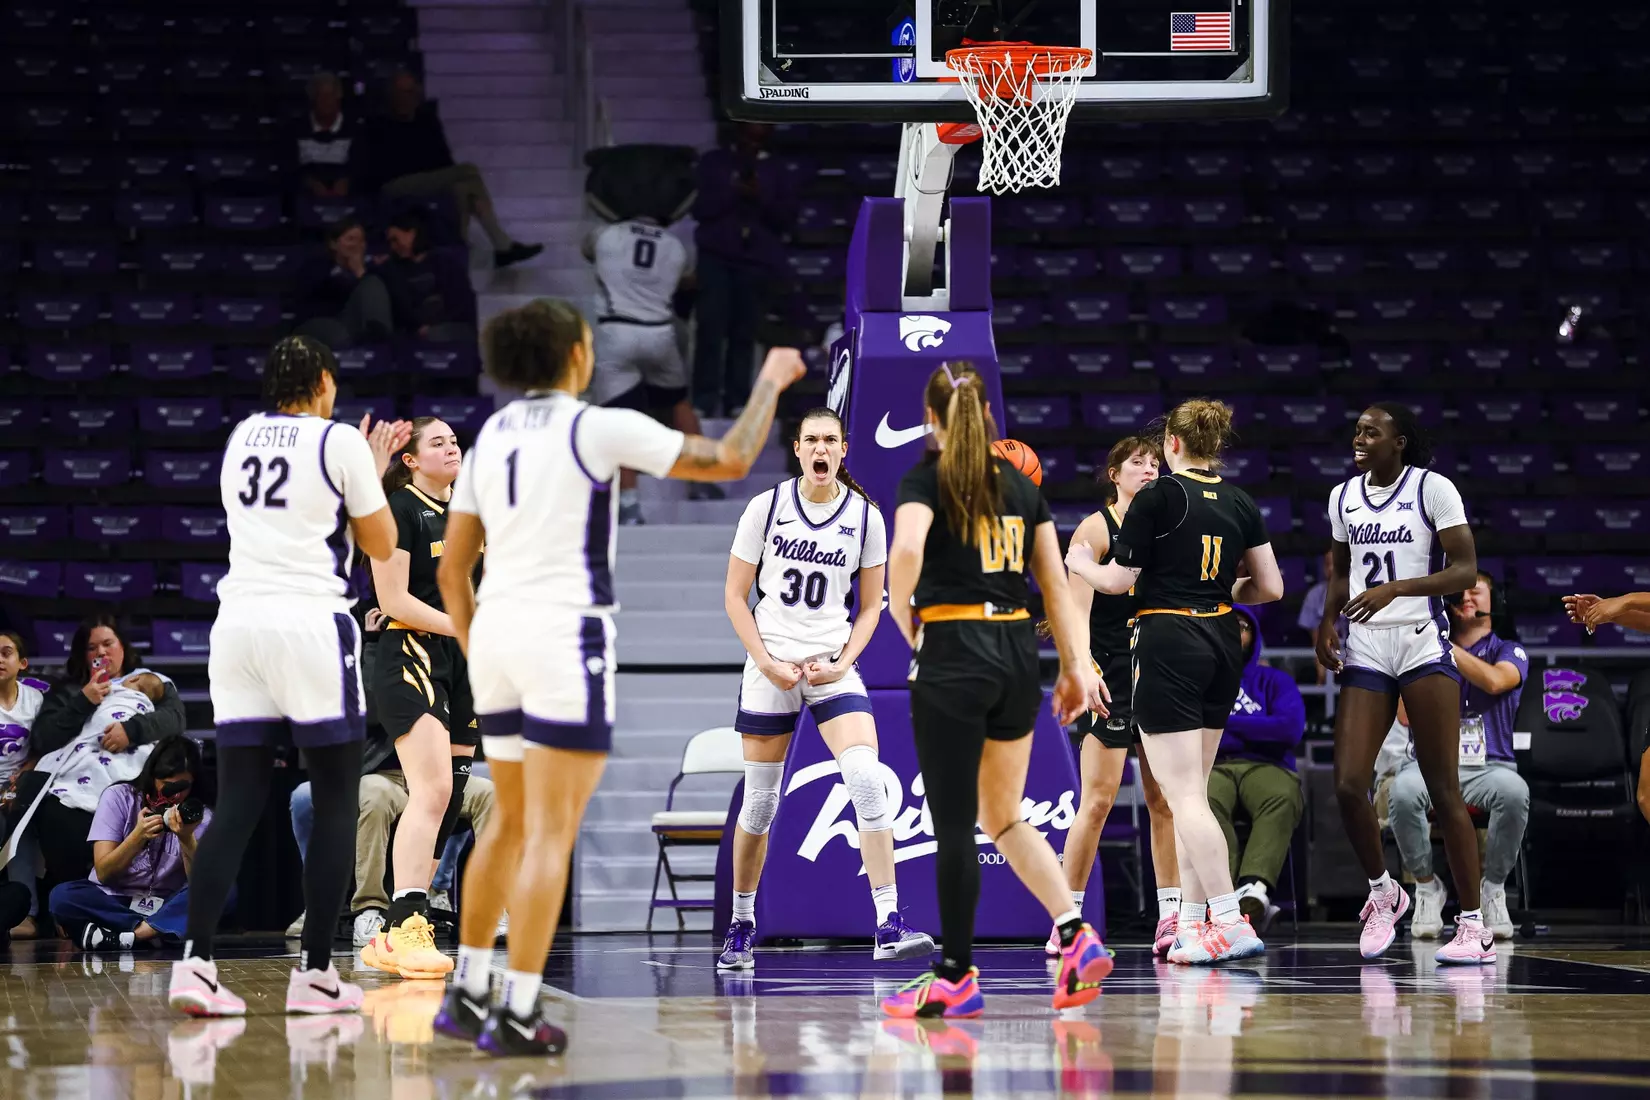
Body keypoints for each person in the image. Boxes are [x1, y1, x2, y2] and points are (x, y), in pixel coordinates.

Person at [431, 298, 804, 1055]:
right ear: (575, 355)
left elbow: (450, 568)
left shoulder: (492, 434)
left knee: (508, 821)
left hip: (498, 633)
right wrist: (770, 381)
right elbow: (729, 458)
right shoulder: (594, 425)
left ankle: (468, 991)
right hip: (564, 634)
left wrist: (475, 646)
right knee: (549, 832)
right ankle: (519, 1009)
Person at [168, 335, 411, 1017]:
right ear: (325, 383)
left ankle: (194, 966)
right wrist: (374, 467)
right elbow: (382, 543)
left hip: (238, 624)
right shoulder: (337, 443)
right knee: (336, 799)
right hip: (309, 623)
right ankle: (314, 977)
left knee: (240, 800)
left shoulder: (243, 436)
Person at [879, 360, 1108, 1020]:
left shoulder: (925, 478)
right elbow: (1057, 586)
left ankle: (954, 973)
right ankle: (1072, 930)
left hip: (954, 650)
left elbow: (904, 554)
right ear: (985, 418)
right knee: (1002, 816)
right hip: (1015, 656)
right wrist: (1073, 667)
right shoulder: (1019, 485)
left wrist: (909, 625)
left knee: (955, 826)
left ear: (930, 419)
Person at [1066, 398, 1283, 966]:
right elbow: (1271, 588)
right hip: (1219, 640)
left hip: (1168, 642)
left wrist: (1079, 562)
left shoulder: (1158, 497)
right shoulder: (1239, 499)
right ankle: (1189, 925)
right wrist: (1218, 594)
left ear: (1173, 445)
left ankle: (1230, 921)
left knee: (1184, 797)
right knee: (1192, 795)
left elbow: (1116, 581)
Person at [716, 408, 933, 971]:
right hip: (771, 664)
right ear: (797, 448)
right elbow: (736, 597)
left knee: (866, 778)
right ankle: (742, 921)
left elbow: (870, 609)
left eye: (830, 440)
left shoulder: (865, 518)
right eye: (811, 438)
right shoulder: (765, 508)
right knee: (760, 803)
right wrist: (764, 661)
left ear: (842, 449)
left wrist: (844, 662)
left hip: (829, 664)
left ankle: (888, 921)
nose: (820, 448)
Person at [1315, 402, 1491, 965]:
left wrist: (1398, 589)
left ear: (1400, 443)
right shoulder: (1343, 496)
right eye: (1357, 428)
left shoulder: (1432, 488)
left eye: (1373, 431)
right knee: (1347, 784)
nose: (1359, 437)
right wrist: (1326, 619)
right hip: (1366, 643)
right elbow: (1340, 569)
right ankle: (1383, 891)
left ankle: (1472, 924)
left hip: (1419, 638)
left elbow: (1465, 568)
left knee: (1444, 790)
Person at [1053, 436, 1185, 960]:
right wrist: (1083, 667)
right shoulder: (1094, 528)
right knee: (1099, 801)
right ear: (1114, 472)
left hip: (1158, 677)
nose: (1148, 469)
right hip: (1108, 677)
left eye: (1156, 463)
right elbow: (1075, 614)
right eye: (1137, 463)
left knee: (1164, 803)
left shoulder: (1167, 526)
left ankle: (1171, 915)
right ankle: (1068, 919)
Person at [363, 417, 475, 980]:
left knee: (450, 798)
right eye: (438, 442)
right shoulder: (399, 510)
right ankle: (406, 920)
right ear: (409, 459)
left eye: (455, 440)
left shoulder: (470, 512)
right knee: (429, 789)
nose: (452, 446)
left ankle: (396, 932)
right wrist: (465, 624)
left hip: (461, 661)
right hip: (412, 652)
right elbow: (394, 599)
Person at [1392, 572, 1529, 942]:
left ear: (1493, 602)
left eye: (1476, 590)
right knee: (1402, 792)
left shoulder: (1509, 649)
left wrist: (1443, 648)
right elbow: (1405, 716)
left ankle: (1493, 888)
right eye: (1460, 591)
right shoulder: (1426, 652)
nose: (1467, 596)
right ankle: (1426, 885)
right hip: (1432, 765)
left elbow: (1496, 681)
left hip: (1490, 766)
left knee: (1514, 792)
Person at [17, 617, 186, 908]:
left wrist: (131, 731)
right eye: (92, 647)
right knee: (49, 801)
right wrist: (84, 701)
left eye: (108, 644)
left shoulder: (149, 683)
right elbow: (44, 738)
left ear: (122, 647)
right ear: (83, 655)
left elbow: (175, 719)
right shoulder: (71, 690)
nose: (101, 653)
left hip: (135, 764)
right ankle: (68, 899)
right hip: (78, 767)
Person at [584, 214, 717, 525]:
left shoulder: (606, 234)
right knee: (679, 403)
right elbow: (689, 281)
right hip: (660, 331)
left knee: (621, 419)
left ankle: (629, 502)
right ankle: (701, 479)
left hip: (617, 331)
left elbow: (587, 251)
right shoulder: (674, 244)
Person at [286, 762, 499, 946]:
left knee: (489, 793)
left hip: (437, 774)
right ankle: (369, 907)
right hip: (385, 773)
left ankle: (494, 911)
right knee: (374, 796)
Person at [361, 70, 541, 269]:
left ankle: (469, 245)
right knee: (468, 170)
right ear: (392, 95)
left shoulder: (427, 121)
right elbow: (377, 168)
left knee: (463, 188)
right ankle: (501, 243)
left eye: (411, 92)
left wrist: (465, 191)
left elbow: (444, 161)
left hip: (428, 181)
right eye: (401, 92)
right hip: (394, 184)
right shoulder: (378, 125)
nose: (406, 98)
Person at [49, 736, 214, 950]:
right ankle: (159, 932)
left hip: (166, 903)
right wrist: (137, 837)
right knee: (62, 896)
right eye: (168, 787)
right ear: (153, 778)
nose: (176, 796)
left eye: (184, 787)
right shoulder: (119, 798)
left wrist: (186, 839)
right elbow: (104, 873)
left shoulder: (201, 816)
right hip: (115, 900)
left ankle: (133, 936)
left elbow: (199, 885)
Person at [1207, 606, 1306, 932]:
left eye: (1244, 626)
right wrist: (1259, 727)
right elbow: (1191, 731)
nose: (1237, 631)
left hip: (1266, 765)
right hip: (1214, 765)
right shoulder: (1201, 678)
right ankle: (1224, 894)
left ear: (1255, 636)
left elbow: (1289, 730)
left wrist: (1225, 724)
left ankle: (1254, 889)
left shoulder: (1275, 680)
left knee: (1281, 795)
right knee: (1202, 803)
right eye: (1229, 624)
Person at [691, 123, 790, 417]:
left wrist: (760, 195)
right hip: (716, 257)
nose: (753, 135)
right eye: (748, 130)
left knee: (744, 332)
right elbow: (699, 210)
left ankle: (737, 400)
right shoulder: (713, 163)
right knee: (711, 328)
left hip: (755, 260)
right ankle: (704, 399)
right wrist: (733, 192)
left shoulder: (776, 169)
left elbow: (786, 217)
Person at [294, 217, 394, 351]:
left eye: (361, 240)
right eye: (351, 239)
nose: (357, 245)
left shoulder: (371, 272)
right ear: (333, 244)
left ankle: (380, 344)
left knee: (372, 282)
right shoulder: (316, 267)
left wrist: (359, 272)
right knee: (340, 335)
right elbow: (309, 299)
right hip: (317, 321)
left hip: (352, 324)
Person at [378, 210, 477, 344]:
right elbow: (400, 309)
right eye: (390, 242)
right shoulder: (392, 267)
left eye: (396, 239)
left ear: (412, 234)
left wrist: (432, 325)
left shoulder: (446, 262)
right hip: (413, 329)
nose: (393, 246)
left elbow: (462, 304)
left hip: (451, 325)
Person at [294, 72, 361, 198]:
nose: (326, 101)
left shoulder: (356, 131)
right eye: (321, 96)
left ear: (338, 98)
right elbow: (287, 169)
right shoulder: (295, 130)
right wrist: (309, 183)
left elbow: (362, 170)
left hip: (347, 201)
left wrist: (348, 182)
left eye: (330, 96)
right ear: (313, 99)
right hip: (306, 200)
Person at [1297, 550, 1344, 683]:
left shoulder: (1360, 593)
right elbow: (1315, 635)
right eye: (1327, 564)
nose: (1331, 569)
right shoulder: (1314, 595)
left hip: (1354, 656)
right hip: (1321, 654)